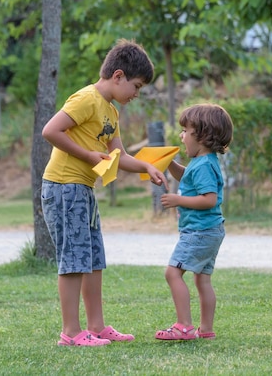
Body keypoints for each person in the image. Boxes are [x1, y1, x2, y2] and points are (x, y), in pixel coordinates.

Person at [41, 39, 169, 347]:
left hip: (83, 189)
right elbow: (50, 131)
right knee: (74, 258)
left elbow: (118, 155)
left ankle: (96, 326)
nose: (136, 95)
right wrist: (87, 156)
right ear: (118, 76)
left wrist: (145, 168)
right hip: (63, 187)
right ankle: (70, 332)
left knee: (93, 257)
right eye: (136, 87)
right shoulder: (87, 99)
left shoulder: (111, 112)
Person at [155, 103, 233, 341]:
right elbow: (185, 175)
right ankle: (206, 329)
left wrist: (179, 199)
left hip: (199, 231)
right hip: (210, 230)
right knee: (202, 278)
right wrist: (169, 163)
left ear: (202, 136)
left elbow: (209, 200)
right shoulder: (203, 163)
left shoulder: (204, 166)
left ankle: (184, 326)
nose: (181, 135)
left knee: (172, 273)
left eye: (185, 131)